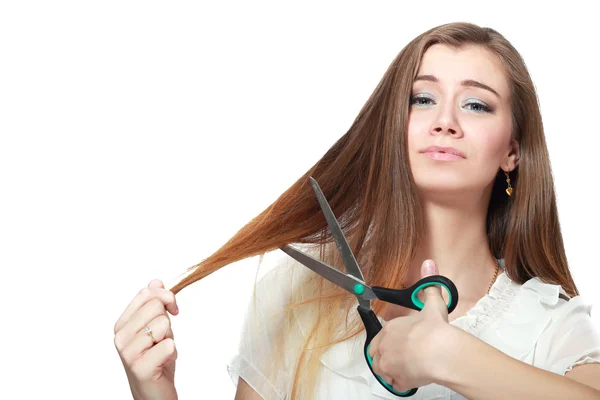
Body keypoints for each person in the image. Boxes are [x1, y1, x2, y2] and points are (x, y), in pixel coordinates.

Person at [113, 21, 600, 399]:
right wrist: (156, 393)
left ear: (512, 151)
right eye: (423, 98)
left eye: (476, 105)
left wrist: (452, 357)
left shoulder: (553, 328)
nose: (446, 122)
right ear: (393, 126)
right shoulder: (297, 294)